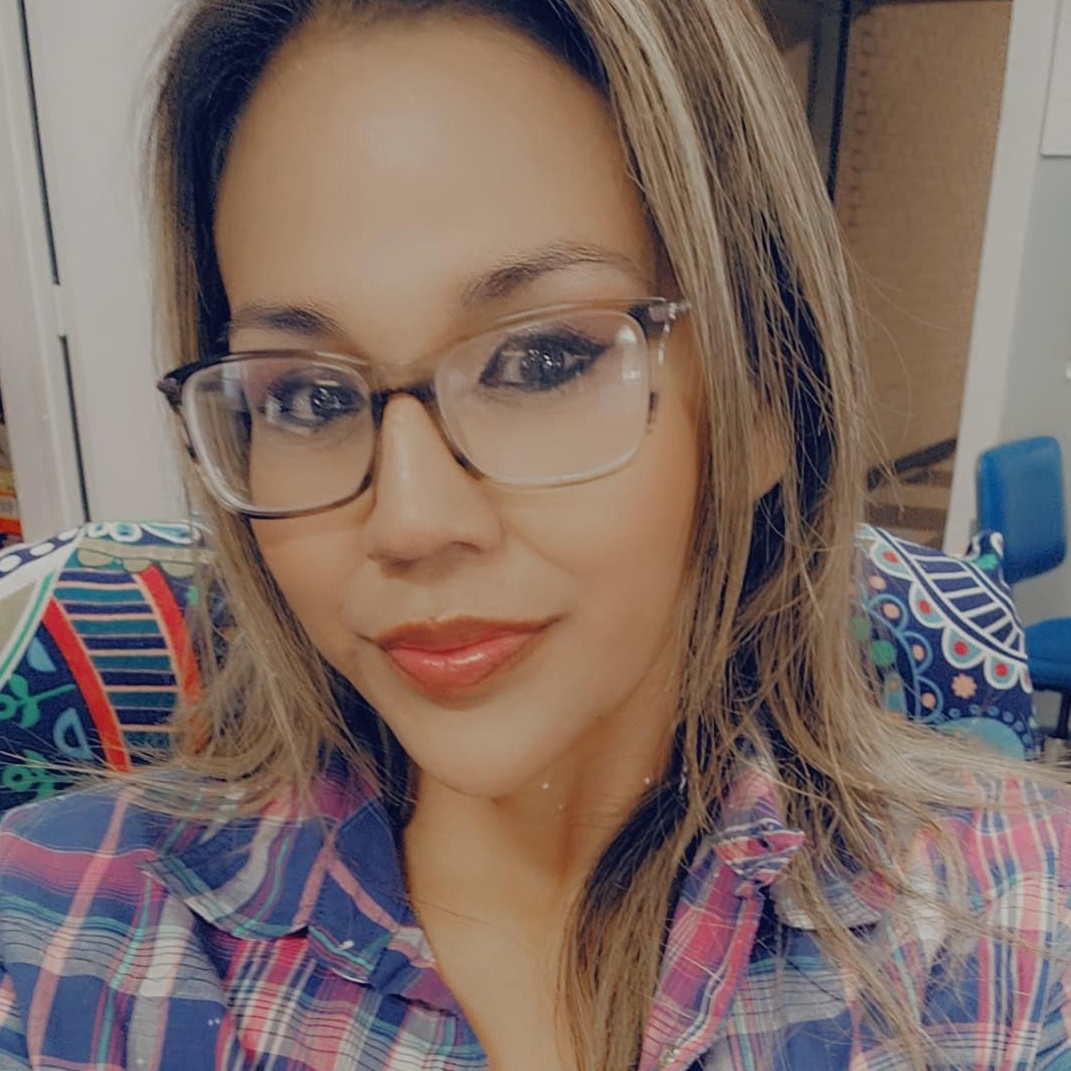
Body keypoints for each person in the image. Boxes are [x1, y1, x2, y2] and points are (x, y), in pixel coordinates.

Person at [0, 0, 1067, 1068]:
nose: (411, 522)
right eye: (307, 397)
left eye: (542, 360)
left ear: (762, 401)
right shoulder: (56, 937)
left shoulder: (1014, 931)